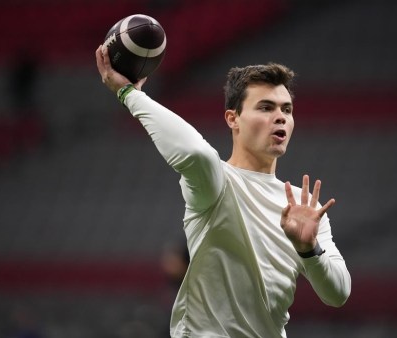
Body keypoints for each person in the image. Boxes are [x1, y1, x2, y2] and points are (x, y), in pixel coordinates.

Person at [96, 45, 351, 338]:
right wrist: (130, 93)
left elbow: (338, 293)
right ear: (233, 119)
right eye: (266, 107)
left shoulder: (304, 207)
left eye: (287, 109)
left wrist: (309, 250)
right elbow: (195, 152)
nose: (280, 117)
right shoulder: (217, 181)